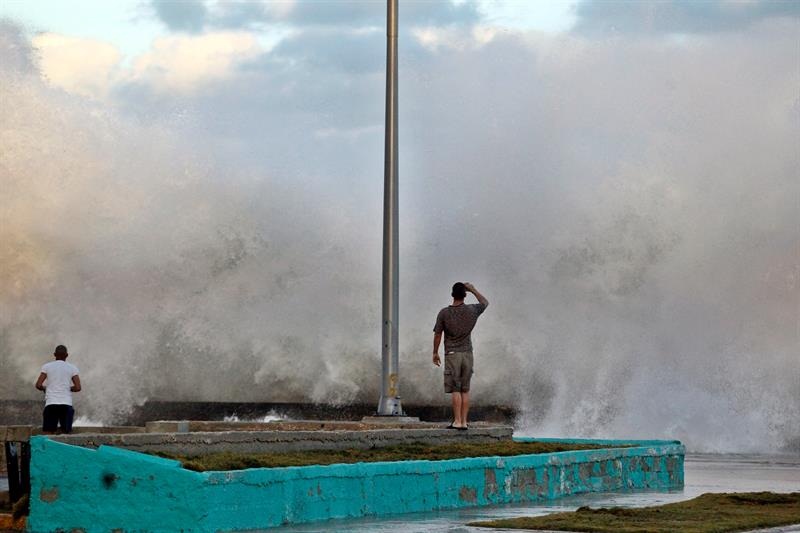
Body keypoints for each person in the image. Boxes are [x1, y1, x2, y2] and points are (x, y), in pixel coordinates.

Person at [432, 282, 488, 430]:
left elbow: (438, 334)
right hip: (468, 354)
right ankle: (464, 422)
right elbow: (485, 302)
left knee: (456, 390)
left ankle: (457, 421)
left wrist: (435, 352)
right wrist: (473, 289)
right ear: (465, 294)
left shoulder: (444, 313)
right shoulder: (472, 310)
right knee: (465, 389)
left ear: (452, 294)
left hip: (452, 354)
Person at [35, 345, 81, 434]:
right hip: (66, 404)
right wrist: (69, 388)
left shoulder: (47, 366)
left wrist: (45, 388)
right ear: (67, 355)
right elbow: (78, 387)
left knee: (48, 433)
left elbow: (38, 385)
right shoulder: (72, 368)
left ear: (54, 354)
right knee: (66, 434)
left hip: (51, 403)